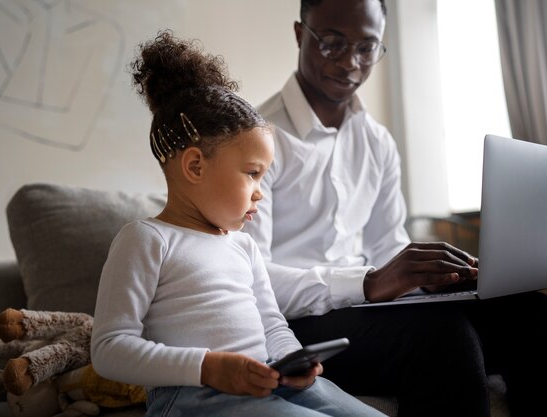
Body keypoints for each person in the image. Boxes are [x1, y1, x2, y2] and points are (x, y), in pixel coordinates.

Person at [243, 0, 547, 416]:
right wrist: (368, 282)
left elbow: (386, 245)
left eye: (367, 47)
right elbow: (251, 276)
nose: (351, 62)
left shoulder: (377, 143)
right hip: (294, 324)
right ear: (301, 34)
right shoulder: (256, 139)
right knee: (443, 336)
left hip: (367, 309)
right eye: (333, 43)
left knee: (538, 314)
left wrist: (432, 278)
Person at [90, 30, 389, 417]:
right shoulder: (146, 239)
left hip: (269, 385)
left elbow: (271, 322)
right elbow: (110, 348)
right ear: (195, 165)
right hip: (192, 396)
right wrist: (209, 366)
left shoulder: (242, 246)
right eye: (252, 174)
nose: (260, 192)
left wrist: (292, 361)